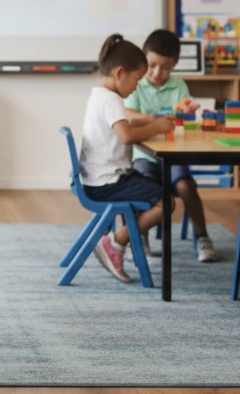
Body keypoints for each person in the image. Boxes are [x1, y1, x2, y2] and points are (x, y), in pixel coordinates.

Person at [81, 34, 175, 283]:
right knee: (167, 202)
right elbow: (126, 136)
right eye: (136, 79)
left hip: (96, 179)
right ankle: (115, 242)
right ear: (120, 72)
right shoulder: (112, 99)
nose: (136, 86)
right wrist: (157, 127)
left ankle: (121, 239)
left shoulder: (99, 94)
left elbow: (124, 125)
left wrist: (148, 120)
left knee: (150, 186)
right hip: (109, 183)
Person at [123, 29, 216, 262]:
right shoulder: (136, 85)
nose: (157, 73)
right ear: (143, 59)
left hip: (173, 156)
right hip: (143, 156)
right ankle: (140, 235)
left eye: (165, 67)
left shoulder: (179, 86)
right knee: (144, 186)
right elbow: (128, 115)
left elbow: (183, 120)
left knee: (186, 187)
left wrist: (188, 114)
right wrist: (152, 119)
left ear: (174, 65)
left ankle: (202, 237)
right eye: (152, 65)